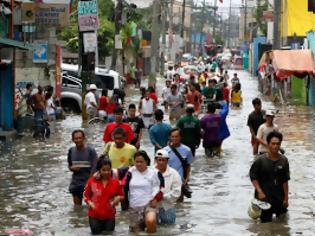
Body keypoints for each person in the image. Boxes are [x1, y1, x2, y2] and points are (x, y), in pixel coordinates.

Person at [249, 131, 290, 223]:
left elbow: (285, 181)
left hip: (279, 199)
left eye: (278, 144)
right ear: (268, 144)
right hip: (264, 200)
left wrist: (286, 199)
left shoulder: (284, 160)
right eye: (273, 144)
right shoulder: (260, 160)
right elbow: (253, 177)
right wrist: (259, 191)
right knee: (265, 226)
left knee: (283, 224)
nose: (275, 146)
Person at [125, 150, 164, 233]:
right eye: (137, 162)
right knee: (136, 232)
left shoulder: (154, 172)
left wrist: (156, 199)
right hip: (134, 207)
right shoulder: (130, 172)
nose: (139, 164)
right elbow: (115, 173)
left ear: (146, 161)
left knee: (150, 221)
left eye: (141, 162)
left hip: (149, 204)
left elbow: (161, 188)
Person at [84, 157, 124, 234]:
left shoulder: (115, 183)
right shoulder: (92, 181)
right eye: (104, 170)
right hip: (94, 216)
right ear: (99, 170)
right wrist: (90, 203)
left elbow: (122, 195)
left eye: (108, 170)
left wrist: (118, 198)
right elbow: (86, 196)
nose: (106, 172)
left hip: (109, 216)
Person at [67, 130, 98, 205]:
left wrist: (90, 181)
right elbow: (69, 165)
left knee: (92, 206)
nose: (78, 140)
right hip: (76, 182)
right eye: (76, 138)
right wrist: (72, 168)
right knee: (77, 208)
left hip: (90, 181)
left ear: (84, 138)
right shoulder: (71, 150)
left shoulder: (91, 150)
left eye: (80, 138)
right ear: (73, 140)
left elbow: (95, 166)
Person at [163, 128, 193, 202]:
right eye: (172, 136)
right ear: (170, 137)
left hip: (180, 181)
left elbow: (188, 165)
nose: (174, 138)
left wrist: (187, 178)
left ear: (180, 137)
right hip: (167, 180)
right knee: (167, 202)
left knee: (179, 203)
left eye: (176, 136)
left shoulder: (187, 150)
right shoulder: (165, 151)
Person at [155, 149, 181, 225]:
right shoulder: (150, 172)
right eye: (159, 160)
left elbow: (177, 192)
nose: (161, 162)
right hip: (152, 207)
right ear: (156, 160)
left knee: (169, 230)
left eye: (163, 160)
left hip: (167, 207)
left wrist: (162, 196)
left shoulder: (174, 173)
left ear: (167, 161)